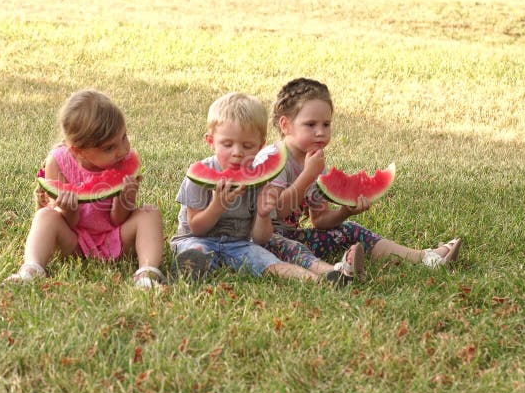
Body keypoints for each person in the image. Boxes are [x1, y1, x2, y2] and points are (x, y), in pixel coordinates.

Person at [264, 77, 461, 270]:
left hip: (290, 236)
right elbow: (279, 210)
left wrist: (344, 211)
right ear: (285, 125)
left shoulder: (315, 162)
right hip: (260, 240)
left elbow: (320, 220)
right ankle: (335, 272)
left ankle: (426, 258)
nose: (320, 132)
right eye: (310, 124)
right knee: (291, 246)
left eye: (326, 124)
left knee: (349, 228)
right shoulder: (275, 159)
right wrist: (308, 174)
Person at [170, 92, 363, 285]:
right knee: (196, 253)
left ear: (260, 146)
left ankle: (327, 279)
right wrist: (217, 206)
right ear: (211, 141)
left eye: (247, 146)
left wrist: (263, 215)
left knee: (272, 263)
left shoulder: (261, 180)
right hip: (196, 240)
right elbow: (196, 228)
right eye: (227, 144)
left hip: (240, 244)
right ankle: (191, 270)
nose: (237, 153)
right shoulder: (198, 173)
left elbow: (260, 239)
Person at [4, 89, 166, 289]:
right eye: (109, 148)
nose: (122, 150)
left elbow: (117, 220)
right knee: (45, 216)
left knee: (149, 213)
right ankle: (32, 268)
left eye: (124, 137)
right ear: (78, 150)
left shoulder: (122, 161)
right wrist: (67, 210)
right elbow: (65, 222)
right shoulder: (58, 161)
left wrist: (126, 200)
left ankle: (147, 274)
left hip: (116, 237)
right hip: (73, 242)